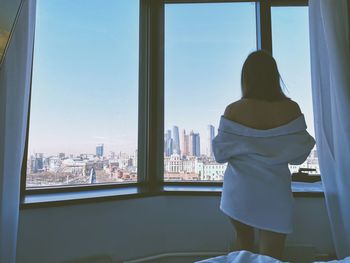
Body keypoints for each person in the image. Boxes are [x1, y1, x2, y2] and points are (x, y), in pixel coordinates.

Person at [212, 50, 315, 260]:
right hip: (275, 192)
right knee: (272, 257)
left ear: (246, 78)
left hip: (239, 191)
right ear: (274, 77)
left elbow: (220, 154)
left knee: (242, 252)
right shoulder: (291, 109)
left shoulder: (233, 110)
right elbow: (299, 156)